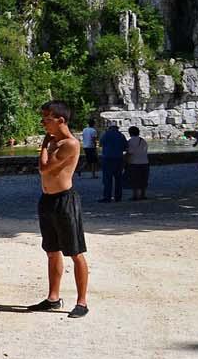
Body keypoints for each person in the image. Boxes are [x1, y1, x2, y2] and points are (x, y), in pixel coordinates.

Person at [31, 101, 90, 319]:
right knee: (51, 251)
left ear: (60, 120)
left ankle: (82, 302)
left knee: (75, 252)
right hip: (47, 199)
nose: (43, 123)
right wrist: (48, 142)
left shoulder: (70, 144)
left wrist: (45, 145)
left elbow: (44, 167)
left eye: (47, 119)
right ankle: (53, 298)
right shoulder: (54, 142)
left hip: (65, 201)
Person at [99, 123, 128, 202]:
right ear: (117, 128)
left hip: (107, 159)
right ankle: (118, 197)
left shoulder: (105, 135)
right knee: (118, 179)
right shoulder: (121, 135)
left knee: (107, 179)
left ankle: (107, 197)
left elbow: (100, 144)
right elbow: (126, 147)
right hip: (119, 159)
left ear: (110, 128)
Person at [125, 126, 150, 200]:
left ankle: (135, 195)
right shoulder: (143, 141)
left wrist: (126, 161)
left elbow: (129, 153)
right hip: (145, 162)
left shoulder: (130, 141)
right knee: (143, 179)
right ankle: (143, 194)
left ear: (130, 133)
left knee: (134, 179)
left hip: (134, 163)